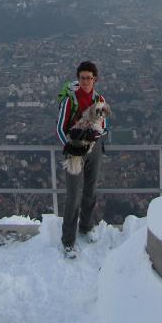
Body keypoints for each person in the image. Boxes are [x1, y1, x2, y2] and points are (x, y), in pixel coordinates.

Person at [56, 60, 108, 258]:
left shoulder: (99, 98)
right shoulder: (71, 100)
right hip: (75, 152)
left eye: (89, 77)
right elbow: (60, 127)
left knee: (90, 191)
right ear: (78, 79)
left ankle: (86, 227)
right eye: (82, 77)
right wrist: (68, 145)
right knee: (73, 196)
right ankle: (68, 240)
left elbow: (105, 124)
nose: (86, 81)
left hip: (93, 149)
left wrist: (96, 134)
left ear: (95, 79)